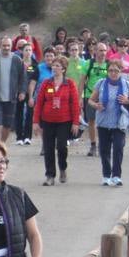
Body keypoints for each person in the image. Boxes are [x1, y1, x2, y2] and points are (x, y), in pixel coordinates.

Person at [33, 53, 82, 185]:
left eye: (57, 66)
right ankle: (50, 175)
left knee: (61, 147)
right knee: (48, 148)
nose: (54, 68)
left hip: (64, 121)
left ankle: (63, 168)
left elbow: (75, 104)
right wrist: (36, 122)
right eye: (53, 65)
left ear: (63, 69)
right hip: (47, 121)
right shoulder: (46, 83)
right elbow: (39, 103)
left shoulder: (70, 84)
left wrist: (75, 122)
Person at [90, 60, 129, 187]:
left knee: (118, 148)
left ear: (121, 72)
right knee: (104, 150)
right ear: (107, 72)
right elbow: (90, 100)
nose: (113, 73)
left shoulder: (127, 84)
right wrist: (96, 105)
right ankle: (106, 175)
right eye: (110, 70)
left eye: (116, 70)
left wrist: (128, 101)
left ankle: (116, 176)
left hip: (119, 123)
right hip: (103, 122)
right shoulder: (101, 83)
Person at [81, 40, 111, 157]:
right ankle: (93, 145)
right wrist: (79, 97)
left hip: (105, 97)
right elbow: (82, 80)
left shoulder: (109, 65)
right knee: (91, 121)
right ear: (95, 51)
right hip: (90, 96)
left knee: (105, 122)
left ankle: (103, 145)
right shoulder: (89, 63)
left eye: (104, 50)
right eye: (100, 50)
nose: (102, 53)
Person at [15, 40, 40, 145]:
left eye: (30, 50)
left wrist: (30, 97)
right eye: (26, 50)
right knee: (19, 114)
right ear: (22, 51)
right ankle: (19, 137)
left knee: (30, 114)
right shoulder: (17, 63)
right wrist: (19, 92)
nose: (28, 52)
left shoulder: (35, 65)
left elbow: (33, 82)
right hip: (19, 92)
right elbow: (15, 79)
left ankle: (27, 137)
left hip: (30, 92)